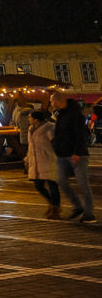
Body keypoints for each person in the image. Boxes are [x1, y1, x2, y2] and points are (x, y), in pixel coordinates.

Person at [50, 93, 95, 223]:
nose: (51, 104)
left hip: (77, 155)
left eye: (52, 101)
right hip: (62, 155)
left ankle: (89, 213)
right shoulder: (61, 114)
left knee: (83, 184)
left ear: (58, 101)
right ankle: (78, 206)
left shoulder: (75, 114)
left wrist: (77, 152)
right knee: (61, 181)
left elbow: (80, 134)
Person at [25, 109, 60, 219]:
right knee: (38, 185)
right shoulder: (30, 129)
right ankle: (52, 204)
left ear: (36, 119)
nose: (28, 119)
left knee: (52, 185)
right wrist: (27, 157)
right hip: (36, 161)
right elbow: (31, 146)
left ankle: (55, 209)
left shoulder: (49, 128)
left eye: (30, 117)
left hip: (49, 160)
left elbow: (56, 143)